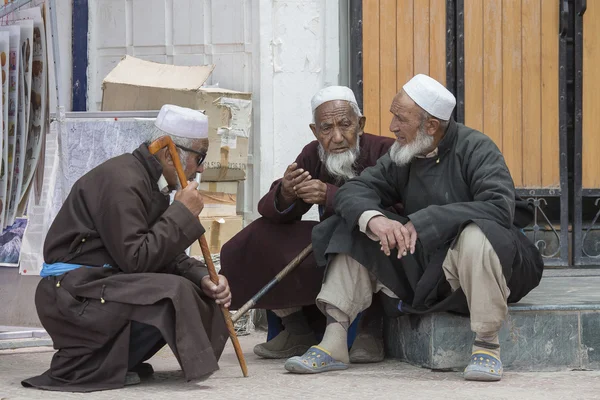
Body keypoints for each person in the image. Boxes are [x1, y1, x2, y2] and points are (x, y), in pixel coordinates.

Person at [284, 74, 544, 381]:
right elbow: (355, 191)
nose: (392, 126)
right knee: (355, 225)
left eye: (400, 118)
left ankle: (487, 346)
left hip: (486, 266)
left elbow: (499, 208)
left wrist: (424, 221)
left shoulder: (477, 148)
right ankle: (334, 341)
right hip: (428, 264)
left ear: (431, 126)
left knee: (477, 234)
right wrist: (375, 220)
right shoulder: (403, 155)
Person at [22, 104, 232, 392]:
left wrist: (203, 276)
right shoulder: (123, 180)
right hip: (72, 292)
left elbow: (163, 253)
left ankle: (117, 360)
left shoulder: (148, 180)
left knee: (195, 288)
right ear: (170, 155)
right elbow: (137, 259)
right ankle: (103, 362)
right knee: (174, 291)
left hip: (100, 282)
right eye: (200, 157)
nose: (202, 168)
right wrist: (181, 213)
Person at [220, 86, 397, 362]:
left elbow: (397, 212)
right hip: (329, 246)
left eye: (345, 125)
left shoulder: (384, 151)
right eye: (326, 128)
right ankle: (296, 328)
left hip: (372, 250)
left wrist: (330, 196)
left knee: (361, 239)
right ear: (315, 132)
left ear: (360, 125)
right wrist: (286, 192)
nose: (337, 137)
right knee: (258, 237)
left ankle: (370, 331)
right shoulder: (313, 155)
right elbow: (275, 209)